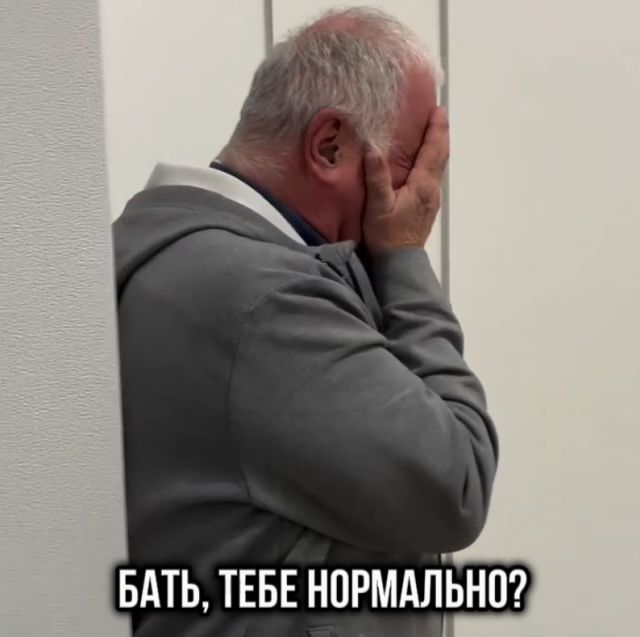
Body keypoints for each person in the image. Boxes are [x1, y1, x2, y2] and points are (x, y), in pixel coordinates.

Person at [112, 7, 498, 637]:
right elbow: (453, 486)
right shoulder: (260, 298)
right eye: (409, 164)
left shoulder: (166, 250)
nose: (419, 196)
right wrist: (404, 260)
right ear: (329, 146)